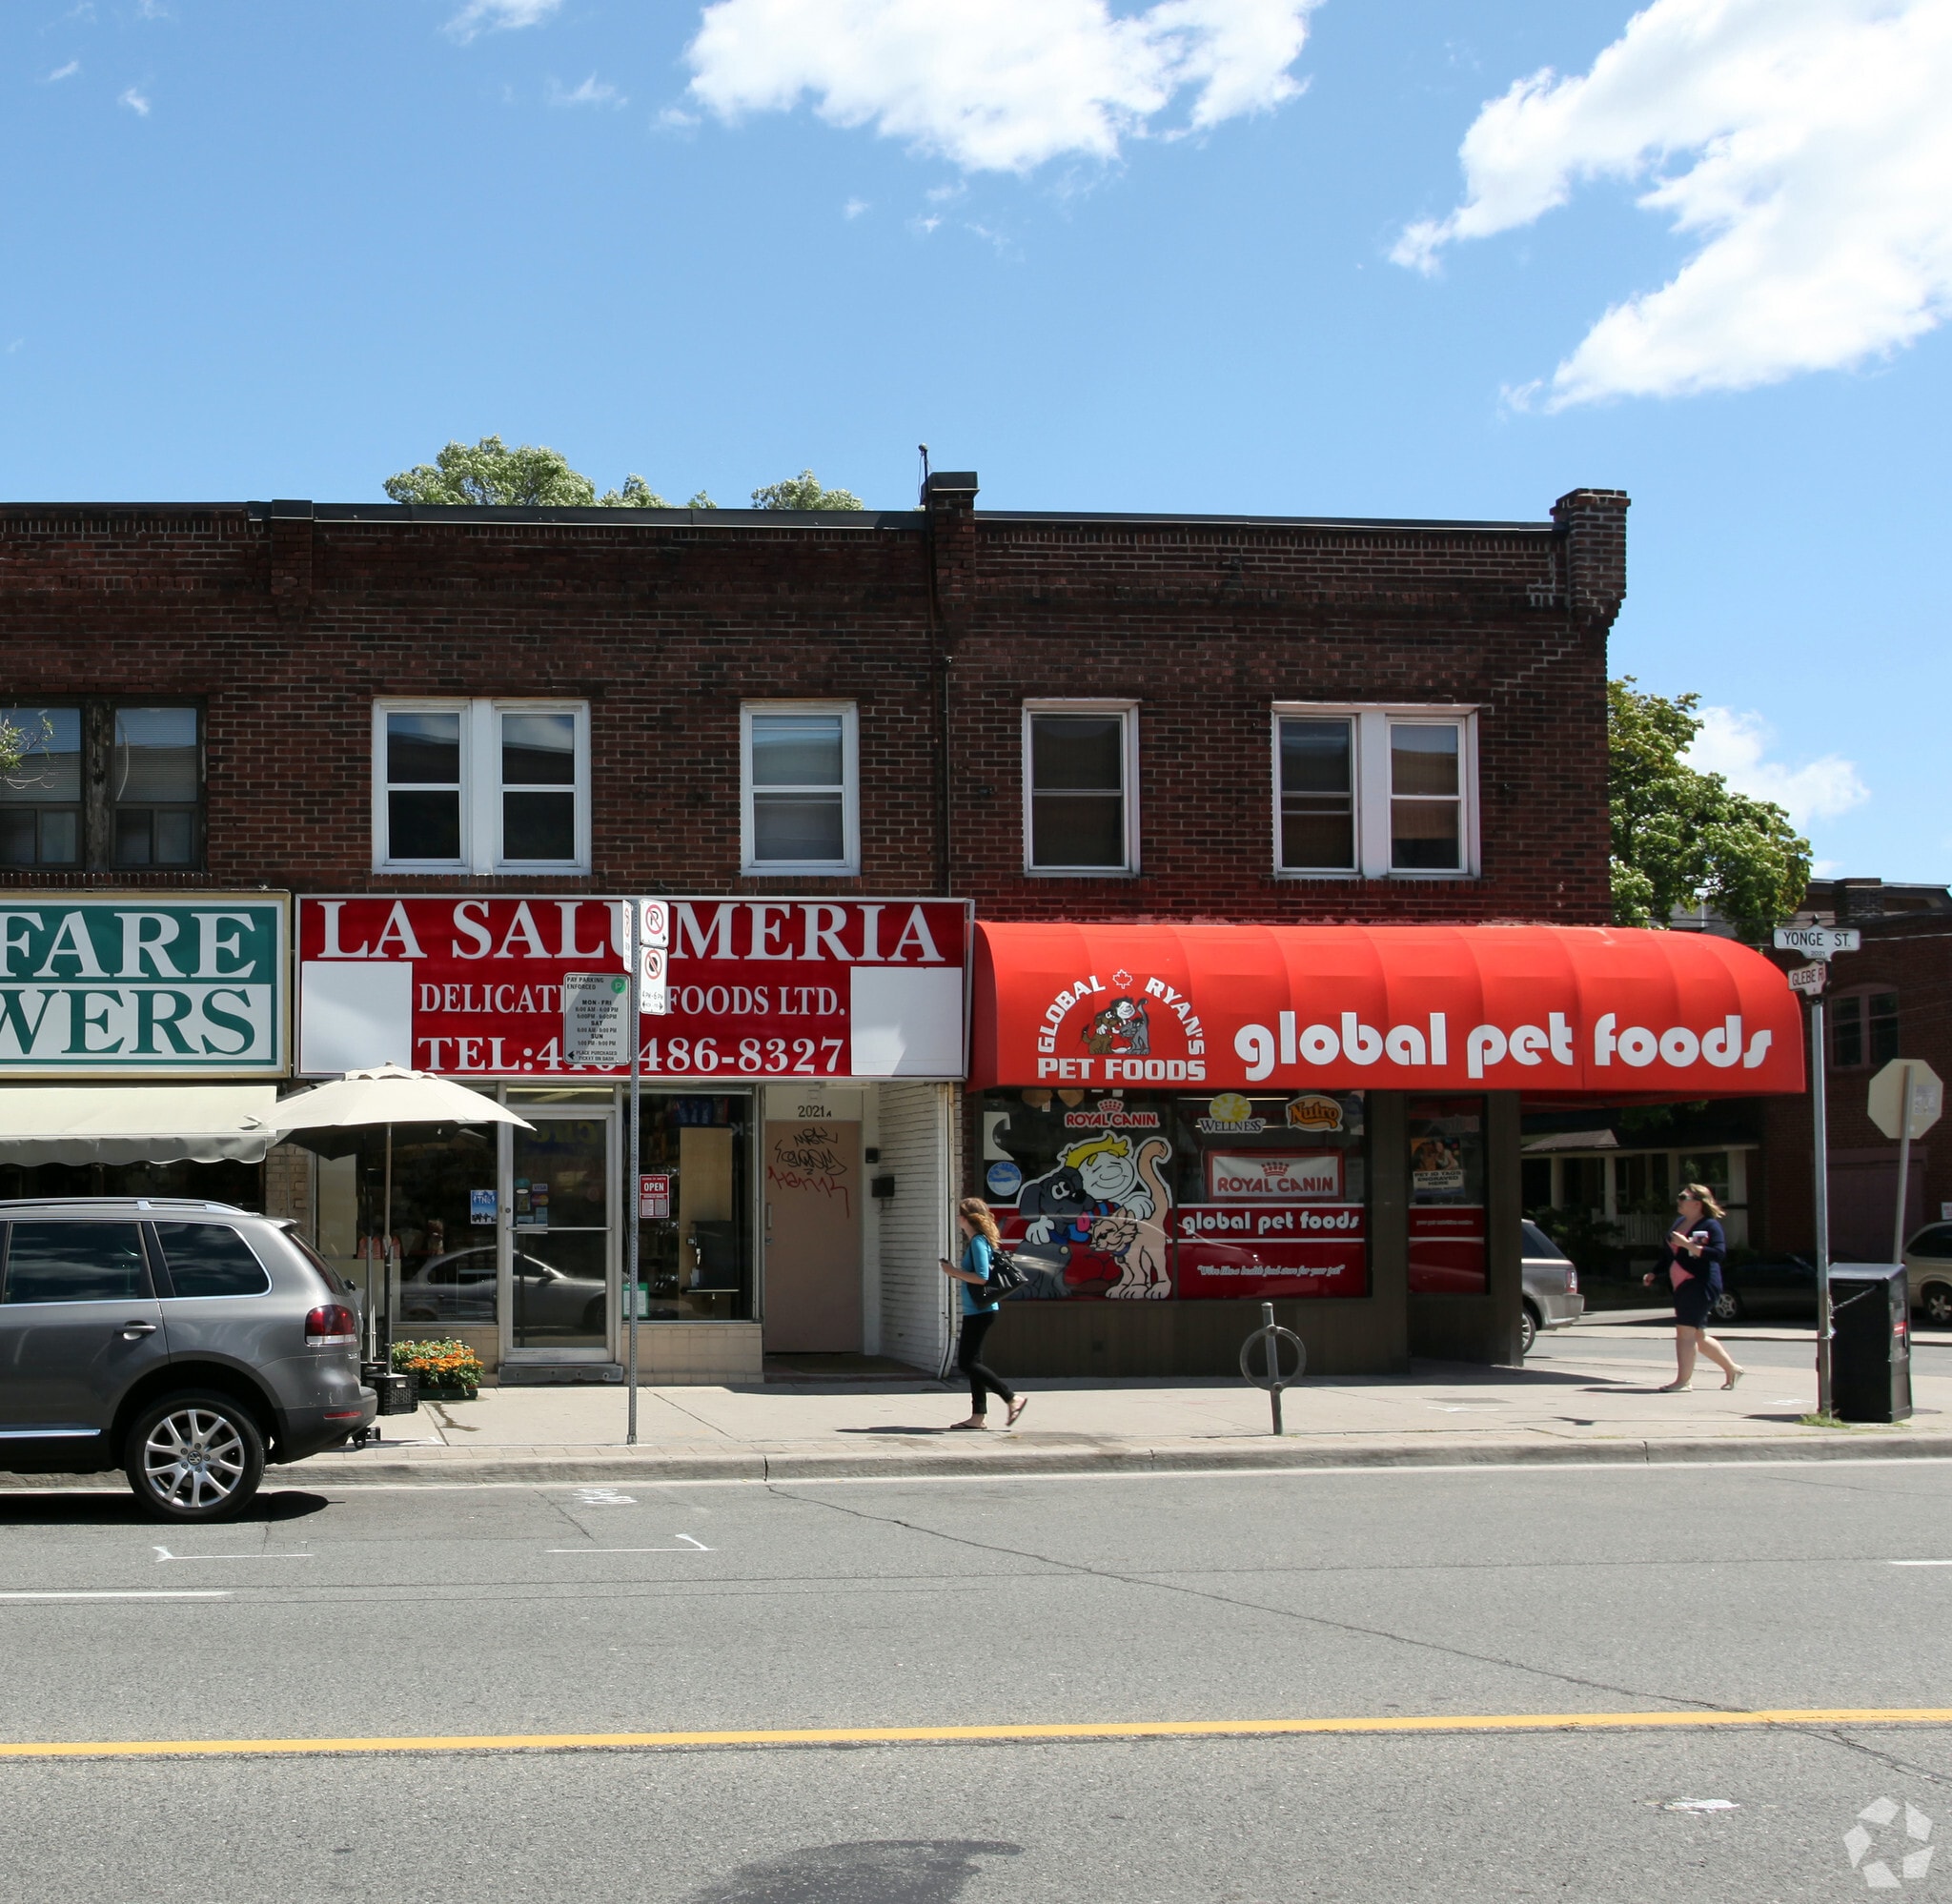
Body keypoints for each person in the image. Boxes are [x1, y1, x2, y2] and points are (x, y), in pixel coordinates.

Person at [1642, 1183, 1744, 1392]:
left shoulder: (1709, 1225)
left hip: (1700, 1283)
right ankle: (1732, 1369)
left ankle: (1683, 1381)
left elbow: (1718, 1254)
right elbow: (1670, 1254)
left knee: (1684, 1332)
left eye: (1683, 1197)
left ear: (1697, 1203)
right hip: (1680, 1284)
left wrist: (1689, 1245)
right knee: (1698, 1335)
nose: (1678, 1201)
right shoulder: (1679, 1223)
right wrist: (1654, 1272)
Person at [940, 1196, 1028, 1430]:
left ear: (966, 1218)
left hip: (981, 1311)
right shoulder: (979, 1240)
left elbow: (982, 1277)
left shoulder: (979, 1242)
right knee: (974, 1363)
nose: (957, 1218)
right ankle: (978, 1417)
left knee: (967, 1363)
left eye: (959, 1214)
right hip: (978, 1310)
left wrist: (953, 1271)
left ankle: (1011, 1398)